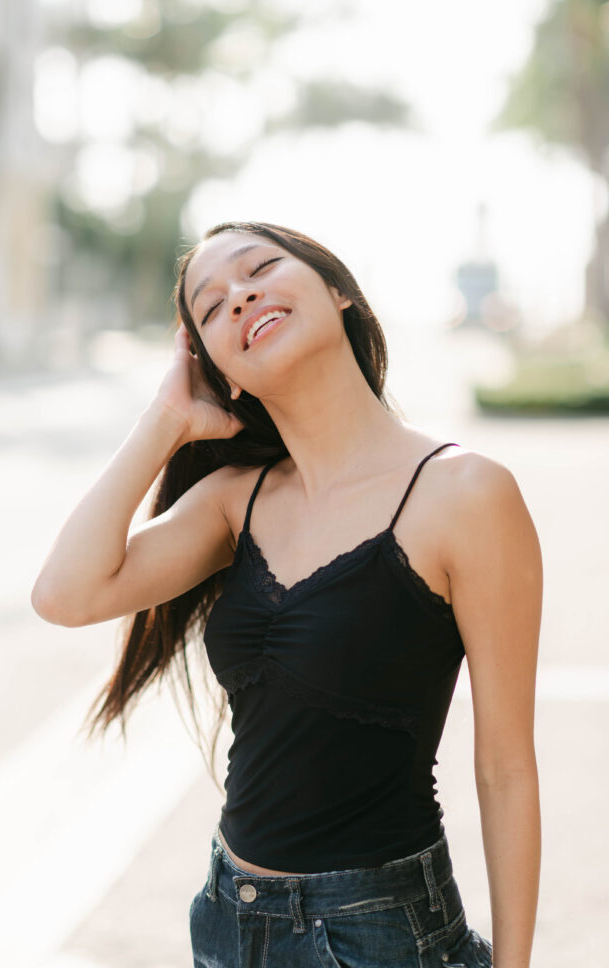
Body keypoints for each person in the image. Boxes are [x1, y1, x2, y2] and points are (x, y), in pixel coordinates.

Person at [31, 220, 542, 968]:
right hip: (229, 920)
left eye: (260, 268)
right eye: (212, 307)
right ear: (221, 371)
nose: (240, 297)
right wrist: (166, 420)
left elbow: (505, 767)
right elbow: (65, 594)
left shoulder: (466, 494)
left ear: (338, 292)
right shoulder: (233, 501)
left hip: (380, 935)